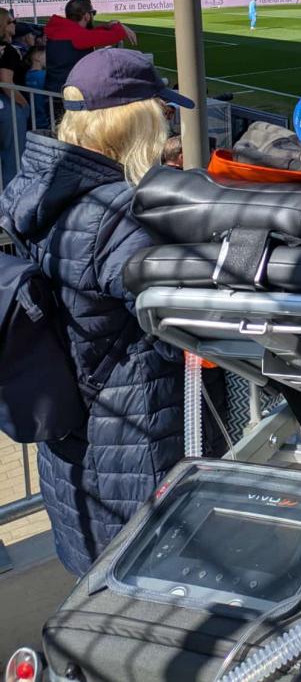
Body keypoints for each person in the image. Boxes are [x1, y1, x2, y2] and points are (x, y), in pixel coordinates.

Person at [0, 49, 206, 576]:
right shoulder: (118, 215)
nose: (167, 125)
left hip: (71, 448)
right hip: (140, 449)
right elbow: (188, 328)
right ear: (136, 122)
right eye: (161, 113)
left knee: (98, 587)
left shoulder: (31, 193)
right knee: (151, 592)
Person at [44, 0, 138, 95]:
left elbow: (90, 34)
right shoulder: (78, 36)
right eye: (93, 13)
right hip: (69, 95)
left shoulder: (63, 31)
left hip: (54, 90)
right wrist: (116, 23)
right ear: (86, 16)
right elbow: (117, 35)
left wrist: (108, 25)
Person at [0, 9, 29, 185]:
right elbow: (6, 83)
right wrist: (24, 104)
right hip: (9, 108)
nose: (15, 25)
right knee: (14, 156)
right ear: (4, 25)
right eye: (12, 21)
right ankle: (12, 193)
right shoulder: (8, 50)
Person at [23, 43, 51, 131]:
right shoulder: (45, 75)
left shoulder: (25, 75)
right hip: (45, 122)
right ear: (37, 57)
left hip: (29, 121)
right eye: (47, 55)